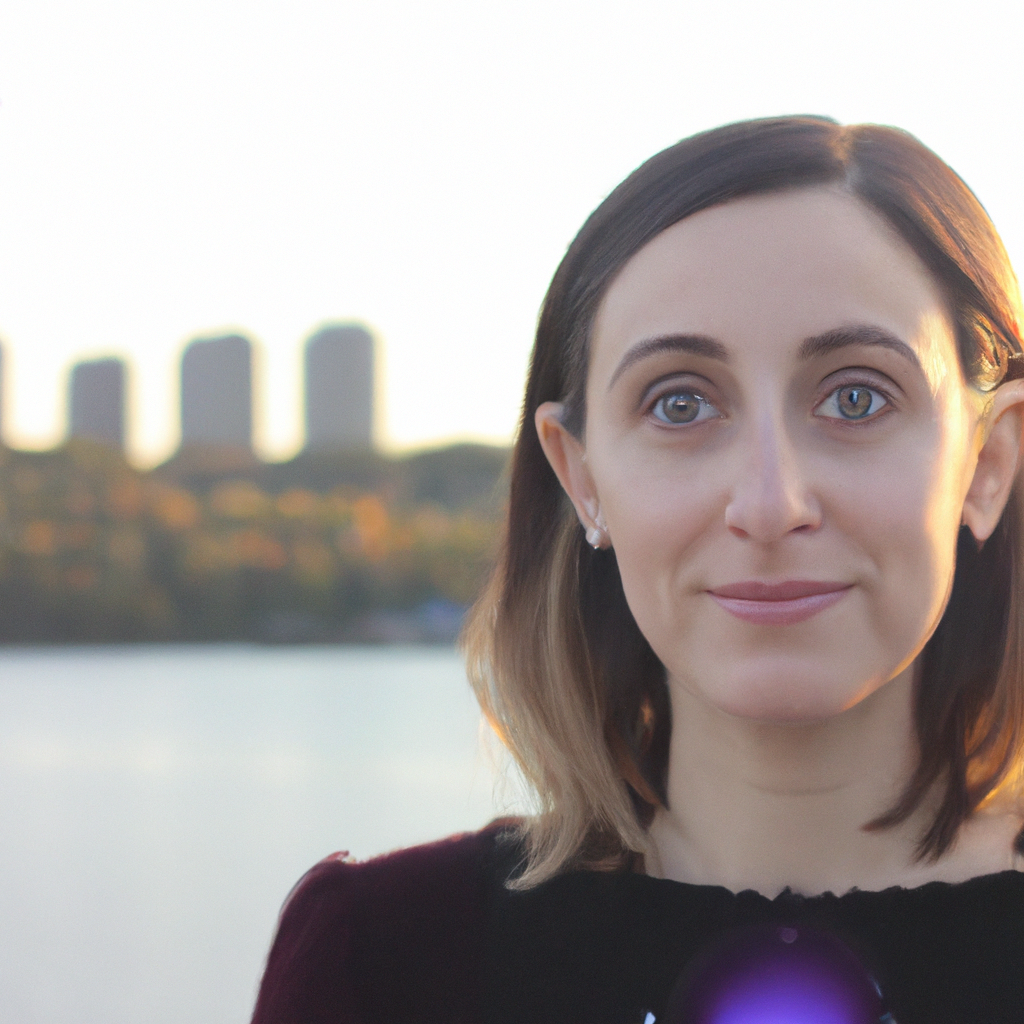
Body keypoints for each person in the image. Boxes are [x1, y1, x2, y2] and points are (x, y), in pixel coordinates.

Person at [250, 116, 1024, 1024]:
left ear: (989, 465)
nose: (771, 504)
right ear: (580, 477)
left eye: (856, 397)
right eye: (682, 402)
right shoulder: (385, 961)